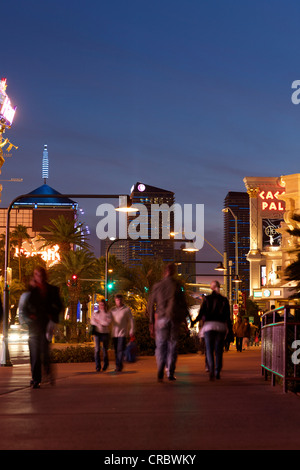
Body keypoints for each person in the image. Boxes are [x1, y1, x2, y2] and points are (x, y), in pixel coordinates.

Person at [20, 266, 63, 388]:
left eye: (40, 274)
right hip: (34, 326)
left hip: (46, 325)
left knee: (44, 352)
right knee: (34, 354)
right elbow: (25, 309)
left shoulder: (52, 290)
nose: (38, 277)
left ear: (44, 275)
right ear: (34, 276)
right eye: (36, 274)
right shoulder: (32, 291)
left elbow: (59, 306)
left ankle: (48, 371)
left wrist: (52, 316)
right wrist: (30, 317)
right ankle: (36, 379)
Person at [147, 263, 190, 382]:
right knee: (172, 345)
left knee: (161, 345)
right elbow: (184, 304)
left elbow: (150, 305)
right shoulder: (177, 285)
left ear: (164, 272)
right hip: (174, 319)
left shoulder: (158, 286)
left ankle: (161, 364)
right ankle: (170, 371)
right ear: (174, 272)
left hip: (161, 318)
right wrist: (187, 321)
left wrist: (151, 322)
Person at [192, 280, 231, 380]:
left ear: (211, 288)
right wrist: (229, 330)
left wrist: (194, 322)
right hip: (221, 326)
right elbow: (227, 316)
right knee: (218, 350)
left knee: (209, 350)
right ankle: (217, 370)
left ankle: (211, 370)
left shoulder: (207, 299)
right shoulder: (224, 300)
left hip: (209, 326)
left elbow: (201, 313)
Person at [110, 294, 134, 372]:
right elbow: (108, 319)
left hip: (122, 333)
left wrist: (131, 330)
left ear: (122, 300)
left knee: (120, 349)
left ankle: (118, 366)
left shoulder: (126, 309)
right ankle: (119, 364)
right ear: (115, 300)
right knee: (116, 350)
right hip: (114, 333)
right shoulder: (112, 310)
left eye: (120, 300)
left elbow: (131, 320)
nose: (119, 302)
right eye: (117, 300)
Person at [90, 299, 112, 372]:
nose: (101, 306)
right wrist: (99, 323)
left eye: (102, 305)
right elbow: (92, 321)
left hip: (105, 333)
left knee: (105, 350)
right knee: (97, 350)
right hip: (97, 333)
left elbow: (107, 323)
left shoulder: (108, 313)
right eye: (99, 305)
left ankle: (105, 365)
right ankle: (97, 366)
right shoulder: (95, 312)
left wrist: (99, 321)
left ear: (105, 305)